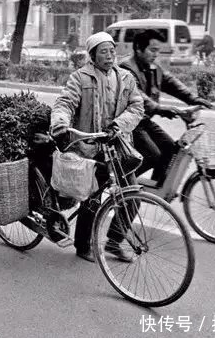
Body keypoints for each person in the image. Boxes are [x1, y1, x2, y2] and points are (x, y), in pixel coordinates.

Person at [51, 32, 145, 263]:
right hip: (90, 146)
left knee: (132, 197)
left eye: (112, 50)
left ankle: (114, 240)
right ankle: (83, 245)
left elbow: (137, 107)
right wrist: (61, 122)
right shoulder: (80, 78)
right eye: (104, 51)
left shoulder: (126, 78)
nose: (110, 55)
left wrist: (119, 125)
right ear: (92, 56)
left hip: (118, 146)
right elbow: (65, 103)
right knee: (92, 198)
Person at [119, 29, 212, 185]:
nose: (156, 54)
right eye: (152, 50)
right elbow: (138, 96)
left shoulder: (153, 67)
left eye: (158, 51)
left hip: (143, 121)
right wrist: (159, 108)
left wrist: (193, 99)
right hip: (127, 124)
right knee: (153, 155)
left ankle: (156, 189)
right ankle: (124, 183)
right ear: (138, 49)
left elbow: (171, 82)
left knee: (170, 148)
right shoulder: (126, 68)